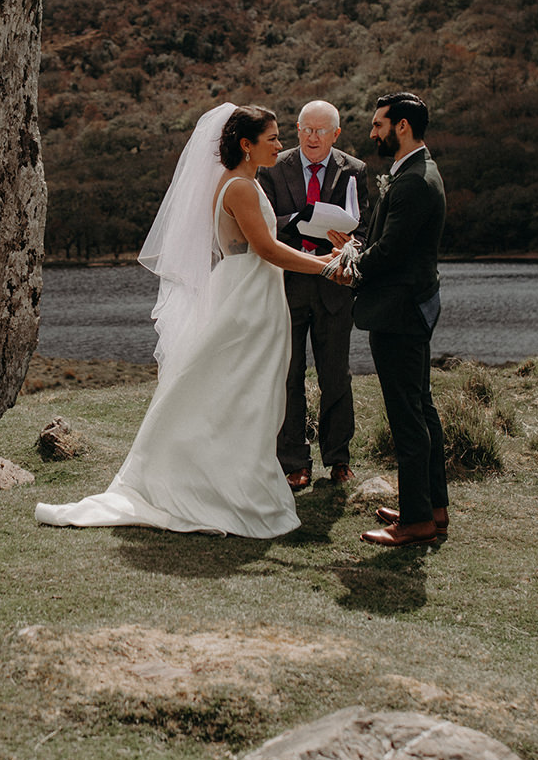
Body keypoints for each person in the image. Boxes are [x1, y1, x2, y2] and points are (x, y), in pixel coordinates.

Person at [35, 103, 337, 537]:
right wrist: (325, 266)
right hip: (249, 298)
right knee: (244, 393)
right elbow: (267, 250)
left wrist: (325, 257)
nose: (280, 144)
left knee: (241, 393)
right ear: (246, 145)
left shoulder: (240, 183)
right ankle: (228, 491)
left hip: (248, 290)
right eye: (271, 138)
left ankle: (231, 480)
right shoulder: (241, 189)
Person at [345, 91, 450, 549]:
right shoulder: (415, 171)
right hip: (413, 306)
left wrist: (349, 267)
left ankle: (415, 521)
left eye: (379, 124)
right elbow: (388, 240)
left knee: (407, 415)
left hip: (400, 312)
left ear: (401, 126)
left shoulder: (412, 181)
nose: (373, 133)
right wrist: (354, 246)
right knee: (421, 407)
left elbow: (390, 252)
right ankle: (431, 507)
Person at [256, 100, 368, 490]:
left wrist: (349, 244)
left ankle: (339, 459)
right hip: (286, 286)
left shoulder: (355, 170)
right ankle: (294, 462)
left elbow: (365, 229)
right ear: (297, 128)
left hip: (334, 289)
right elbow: (263, 222)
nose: (313, 137)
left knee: (336, 375)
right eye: (306, 129)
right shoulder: (273, 165)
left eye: (322, 131)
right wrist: (301, 218)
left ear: (336, 134)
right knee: (289, 376)